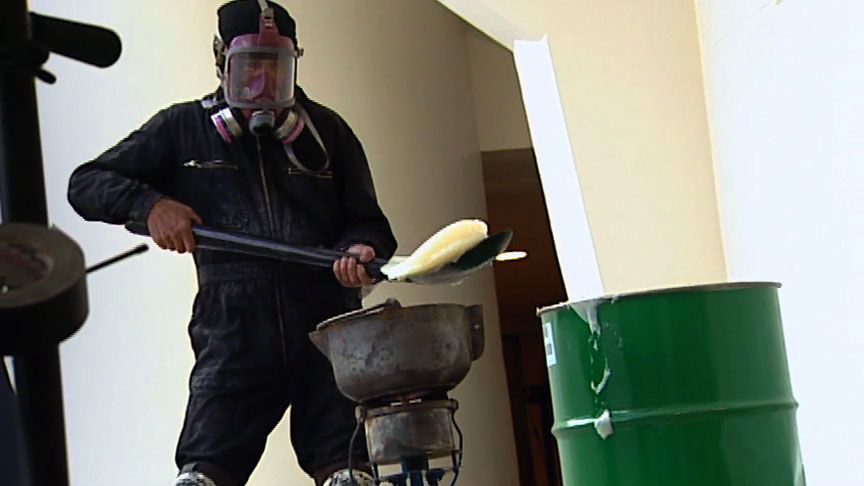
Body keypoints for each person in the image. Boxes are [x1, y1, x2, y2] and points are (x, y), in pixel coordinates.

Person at [67, 1, 396, 485]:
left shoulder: (328, 132)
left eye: (275, 66)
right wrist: (151, 206)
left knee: (347, 471)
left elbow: (370, 224)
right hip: (233, 326)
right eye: (250, 66)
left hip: (327, 324)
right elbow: (87, 183)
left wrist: (361, 249)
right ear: (220, 60)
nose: (262, 82)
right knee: (205, 473)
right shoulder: (184, 129)